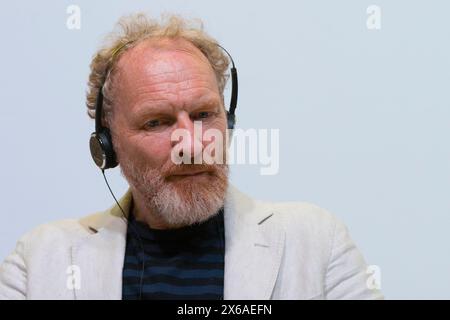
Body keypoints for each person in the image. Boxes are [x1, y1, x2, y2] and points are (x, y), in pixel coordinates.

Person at [0, 13, 383, 300]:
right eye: (157, 122)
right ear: (108, 143)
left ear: (228, 119)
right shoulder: (40, 261)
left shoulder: (316, 241)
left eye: (203, 114)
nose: (192, 144)